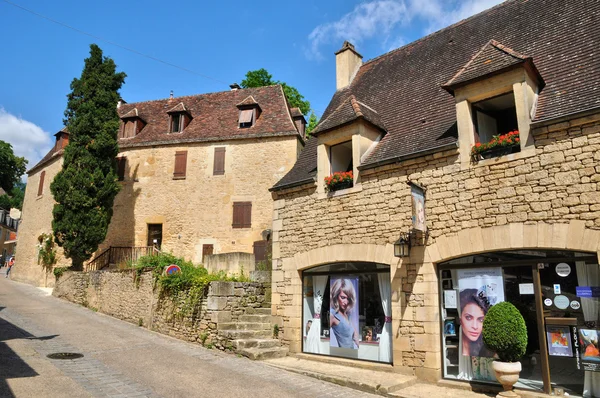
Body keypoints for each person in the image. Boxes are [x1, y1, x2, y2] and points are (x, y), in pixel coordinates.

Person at [459, 288, 492, 357]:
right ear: (460, 319)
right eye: (468, 318)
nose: (475, 326)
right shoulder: (454, 351)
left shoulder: (488, 351)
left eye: (481, 320)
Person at [330, 278, 359, 349]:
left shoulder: (348, 314)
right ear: (336, 296)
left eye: (348, 299)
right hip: (342, 354)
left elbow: (355, 336)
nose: (346, 302)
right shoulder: (332, 315)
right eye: (343, 297)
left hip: (352, 352)